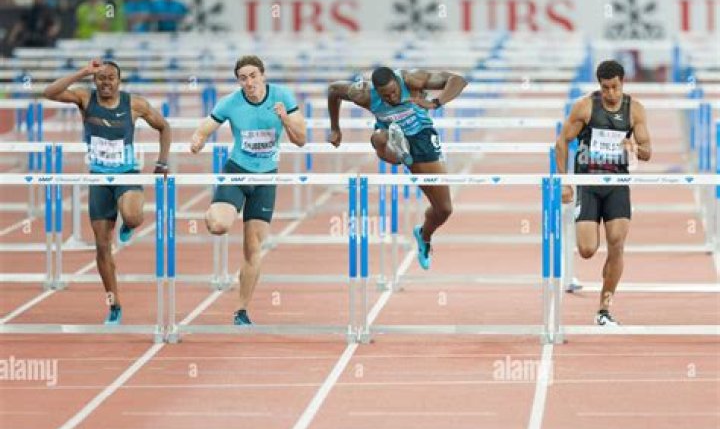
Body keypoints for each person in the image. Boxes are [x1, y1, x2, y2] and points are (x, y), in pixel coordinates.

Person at [43, 59, 172, 325]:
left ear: (119, 81)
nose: (106, 82)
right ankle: (114, 304)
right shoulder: (84, 98)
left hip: (127, 174)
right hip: (99, 178)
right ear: (94, 81)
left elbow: (164, 127)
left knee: (134, 216)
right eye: (101, 78)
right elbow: (50, 93)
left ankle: (128, 224)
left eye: (111, 78)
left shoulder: (135, 104)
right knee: (103, 247)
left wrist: (162, 162)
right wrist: (82, 72)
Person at [190, 55, 306, 326]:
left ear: (263, 75)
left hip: (266, 178)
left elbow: (301, 140)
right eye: (243, 78)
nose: (249, 82)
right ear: (239, 81)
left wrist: (284, 119)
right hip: (237, 172)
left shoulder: (282, 97)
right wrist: (197, 140)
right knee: (218, 225)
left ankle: (241, 311)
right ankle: (212, 211)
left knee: (253, 249)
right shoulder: (230, 102)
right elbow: (205, 128)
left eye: (253, 76)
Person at [327, 66, 467, 270]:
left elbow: (458, 80)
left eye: (394, 92)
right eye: (385, 95)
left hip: (422, 137)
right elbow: (333, 90)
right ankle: (398, 148)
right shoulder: (364, 94)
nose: (392, 97)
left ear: (398, 82)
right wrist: (335, 128)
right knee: (379, 138)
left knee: (443, 209)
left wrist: (436, 102)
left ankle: (424, 235)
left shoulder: (412, 79)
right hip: (389, 140)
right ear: (376, 91)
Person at [556, 60, 652, 326]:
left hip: (617, 185)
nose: (610, 93)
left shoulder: (635, 109)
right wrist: (564, 182)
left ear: (623, 83)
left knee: (617, 244)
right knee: (587, 249)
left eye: (615, 87)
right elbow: (562, 142)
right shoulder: (585, 106)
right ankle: (608, 269)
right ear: (599, 85)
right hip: (588, 183)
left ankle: (604, 309)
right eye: (605, 88)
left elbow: (647, 153)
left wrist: (634, 147)